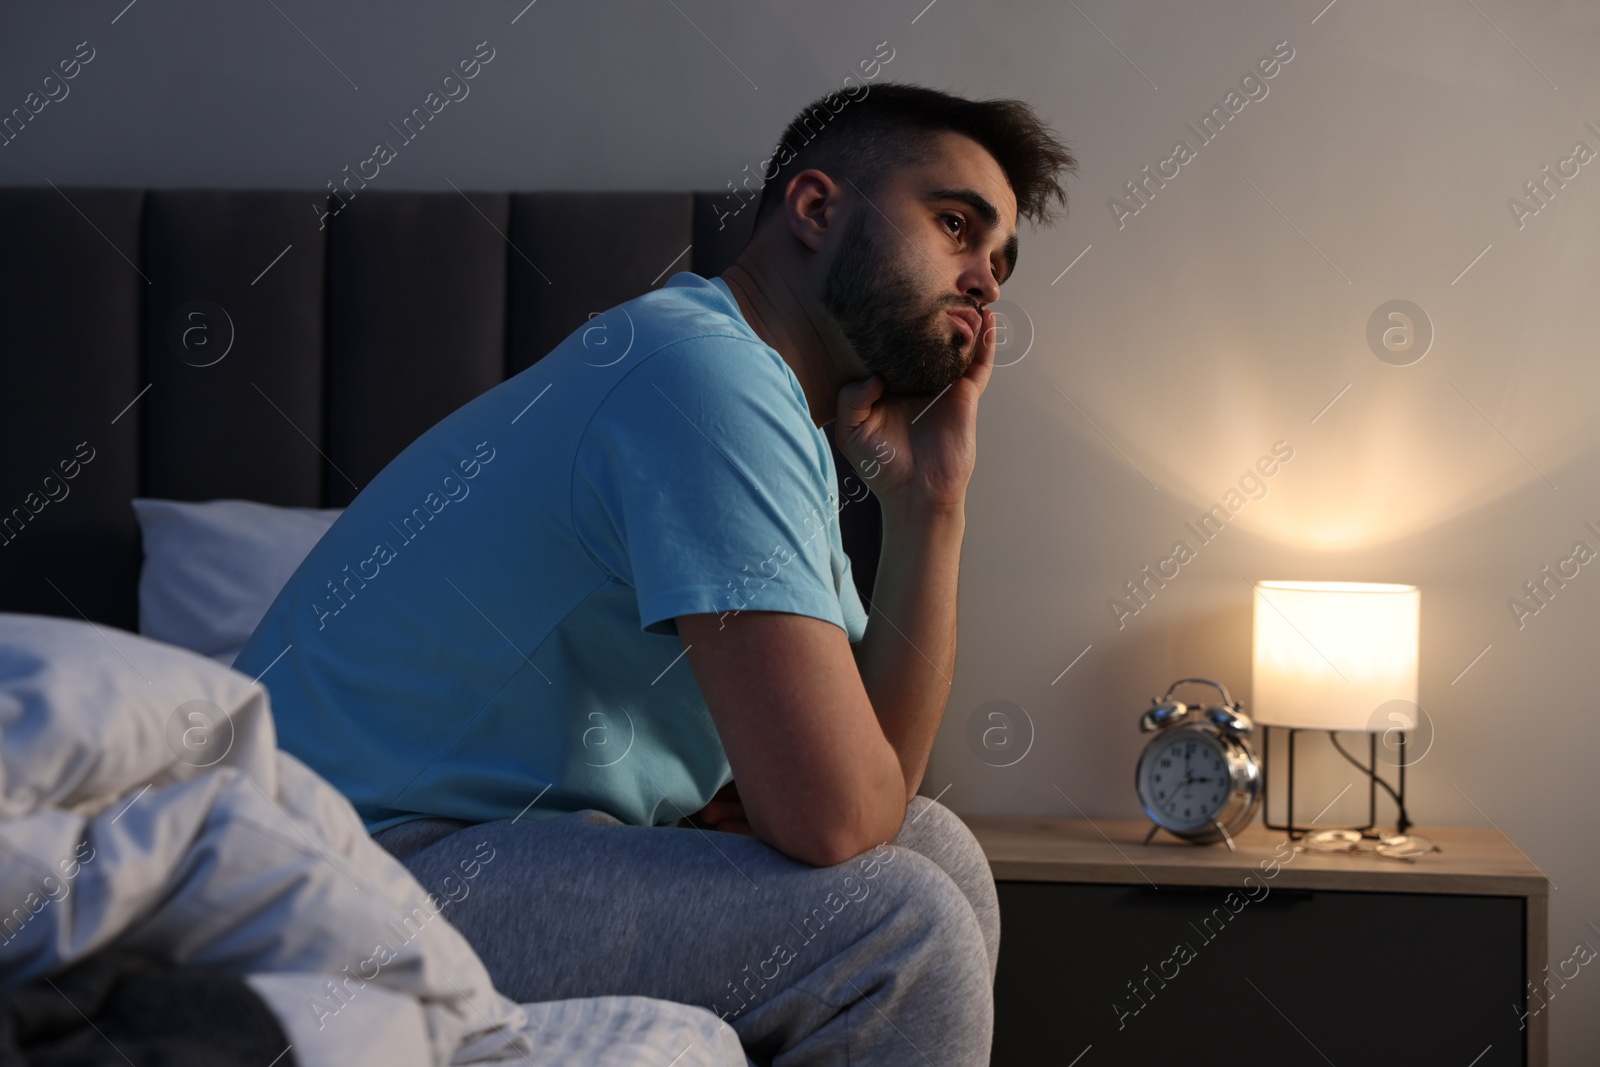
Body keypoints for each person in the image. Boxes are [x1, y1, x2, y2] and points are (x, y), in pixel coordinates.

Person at [233, 81, 1076, 1065]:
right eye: (954, 225)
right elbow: (842, 813)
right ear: (815, 209)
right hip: (331, 877)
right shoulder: (703, 377)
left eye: (1000, 260)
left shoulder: (766, 406)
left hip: (454, 851)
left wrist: (930, 505)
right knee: (898, 920)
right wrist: (805, 797)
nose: (985, 280)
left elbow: (878, 781)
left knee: (939, 856)